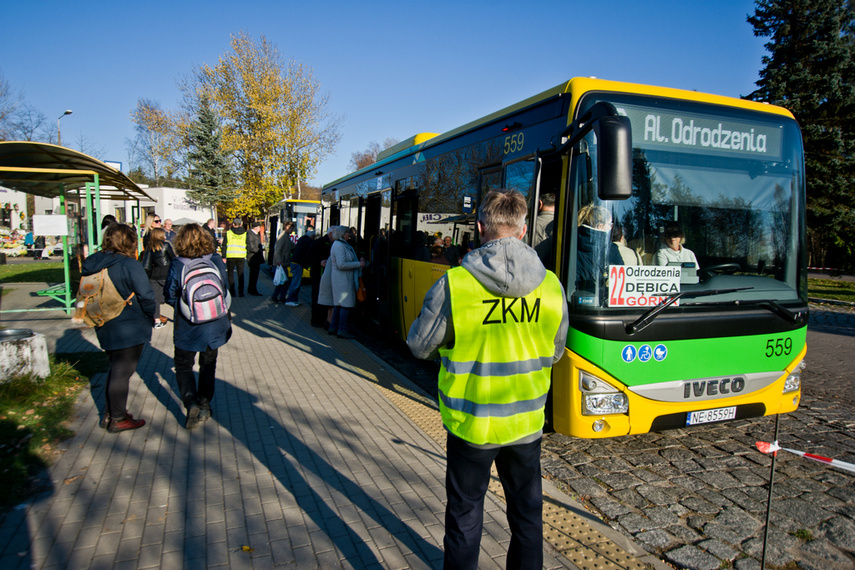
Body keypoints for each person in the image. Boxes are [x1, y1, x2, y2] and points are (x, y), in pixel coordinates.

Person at [407, 189, 569, 569]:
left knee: (465, 517)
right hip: (526, 423)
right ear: (525, 229)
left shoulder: (456, 285)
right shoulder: (551, 286)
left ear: (480, 227)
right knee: (528, 517)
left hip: (472, 424)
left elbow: (419, 345)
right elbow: (555, 350)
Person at [81, 223, 156, 433]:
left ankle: (109, 414)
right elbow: (146, 295)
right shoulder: (129, 264)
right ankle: (118, 418)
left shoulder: (93, 262)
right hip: (129, 324)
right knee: (122, 373)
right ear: (129, 241)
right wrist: (153, 314)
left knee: (115, 369)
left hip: (103, 321)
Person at [165, 223, 232, 429]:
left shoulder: (178, 264)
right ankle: (204, 404)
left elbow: (169, 295)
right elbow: (225, 289)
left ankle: (190, 402)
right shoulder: (215, 261)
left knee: (184, 365)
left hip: (188, 325)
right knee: (208, 365)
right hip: (214, 325)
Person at [318, 226, 366, 339]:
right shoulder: (339, 245)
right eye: (347, 233)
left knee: (339, 305)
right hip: (343, 280)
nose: (349, 234)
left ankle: (333, 328)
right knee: (344, 305)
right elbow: (341, 264)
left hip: (342, 279)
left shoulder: (340, 244)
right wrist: (358, 264)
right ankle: (341, 330)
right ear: (343, 234)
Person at [576, 204, 623, 292]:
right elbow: (620, 280)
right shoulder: (610, 248)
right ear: (600, 226)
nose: (611, 228)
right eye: (610, 224)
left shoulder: (571, 242)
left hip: (573, 298)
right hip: (600, 300)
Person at [141, 227, 176, 329]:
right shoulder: (166, 245)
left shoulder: (149, 247)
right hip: (166, 274)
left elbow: (146, 265)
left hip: (155, 275)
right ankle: (179, 317)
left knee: (155, 299)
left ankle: (156, 320)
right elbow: (173, 258)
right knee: (173, 296)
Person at [308, 227, 334, 327]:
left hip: (325, 274)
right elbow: (311, 255)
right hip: (318, 274)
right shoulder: (319, 242)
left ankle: (324, 319)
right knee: (316, 296)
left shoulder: (333, 243)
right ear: (330, 233)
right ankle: (315, 320)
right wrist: (320, 261)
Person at [285, 230, 315, 306]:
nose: (314, 238)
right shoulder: (308, 241)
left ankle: (294, 299)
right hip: (298, 264)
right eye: (314, 237)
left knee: (296, 282)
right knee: (296, 282)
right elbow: (308, 253)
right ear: (311, 236)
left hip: (295, 263)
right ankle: (290, 299)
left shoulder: (302, 239)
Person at [222, 218, 248, 297]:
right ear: (240, 224)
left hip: (230, 256)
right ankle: (241, 292)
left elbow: (224, 245)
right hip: (241, 256)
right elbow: (248, 244)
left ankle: (232, 291)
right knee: (240, 274)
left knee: (230, 274)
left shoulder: (228, 233)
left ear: (233, 224)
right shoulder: (245, 233)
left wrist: (223, 256)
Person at [270, 222, 295, 303]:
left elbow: (292, 246)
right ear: (287, 227)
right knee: (284, 281)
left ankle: (276, 296)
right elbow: (278, 250)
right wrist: (279, 261)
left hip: (283, 262)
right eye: (291, 228)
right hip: (281, 263)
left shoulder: (286, 237)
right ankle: (280, 297)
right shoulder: (283, 237)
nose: (292, 230)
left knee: (282, 281)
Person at [246, 222, 264, 296]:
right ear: (256, 227)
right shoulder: (250, 234)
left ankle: (252, 288)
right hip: (252, 257)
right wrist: (259, 250)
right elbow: (251, 247)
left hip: (256, 257)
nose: (260, 228)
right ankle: (252, 289)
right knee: (253, 274)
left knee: (255, 274)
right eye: (259, 227)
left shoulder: (256, 234)